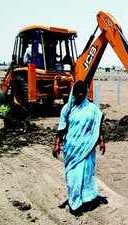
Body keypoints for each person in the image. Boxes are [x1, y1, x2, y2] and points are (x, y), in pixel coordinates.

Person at [53, 80, 106, 215]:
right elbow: (61, 128)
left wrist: (101, 140)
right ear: (74, 93)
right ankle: (74, 202)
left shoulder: (92, 109)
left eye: (83, 93)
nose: (80, 95)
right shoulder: (67, 108)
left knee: (87, 175)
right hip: (72, 150)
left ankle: (87, 199)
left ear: (86, 92)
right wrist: (57, 144)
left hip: (87, 148)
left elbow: (97, 125)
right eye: (78, 93)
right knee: (73, 177)